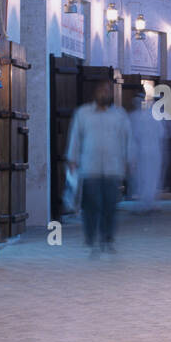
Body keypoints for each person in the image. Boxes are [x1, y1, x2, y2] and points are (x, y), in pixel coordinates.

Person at [65, 82, 131, 252]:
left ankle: (107, 238)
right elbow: (76, 137)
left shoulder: (119, 115)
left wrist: (129, 160)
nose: (104, 93)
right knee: (91, 206)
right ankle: (90, 237)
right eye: (101, 90)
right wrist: (72, 158)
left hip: (112, 168)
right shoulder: (83, 113)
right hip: (90, 167)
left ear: (110, 94)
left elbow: (127, 139)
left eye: (107, 91)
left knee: (110, 205)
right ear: (95, 93)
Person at [127, 91, 169, 212]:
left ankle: (145, 202)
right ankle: (148, 202)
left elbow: (134, 136)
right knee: (151, 177)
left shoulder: (136, 116)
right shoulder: (155, 117)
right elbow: (162, 134)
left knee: (143, 176)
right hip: (153, 151)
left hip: (142, 151)